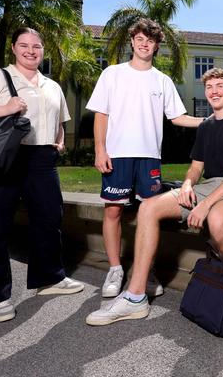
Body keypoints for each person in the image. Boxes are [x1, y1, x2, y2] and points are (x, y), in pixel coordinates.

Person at [86, 67, 223, 326]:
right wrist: (189, 183)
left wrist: (206, 204)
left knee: (217, 220)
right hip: (209, 185)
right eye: (209, 87)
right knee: (149, 207)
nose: (214, 91)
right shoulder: (206, 126)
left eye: (220, 86)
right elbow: (196, 167)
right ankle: (135, 297)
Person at [0, 27, 84, 323]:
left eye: (37, 46)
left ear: (43, 50)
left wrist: (59, 142)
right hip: (4, 157)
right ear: (13, 48)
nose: (31, 50)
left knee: (49, 219)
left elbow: (60, 120)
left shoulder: (52, 85)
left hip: (42, 158)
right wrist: (6, 109)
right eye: (24, 45)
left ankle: (49, 279)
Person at [85, 18, 203, 300]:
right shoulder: (112, 74)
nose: (144, 43)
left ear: (156, 46)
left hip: (149, 158)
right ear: (132, 41)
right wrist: (100, 150)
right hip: (118, 155)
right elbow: (102, 114)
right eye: (140, 38)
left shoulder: (162, 81)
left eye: (150, 40)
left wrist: (210, 121)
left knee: (147, 214)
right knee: (113, 211)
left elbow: (177, 117)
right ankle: (115, 269)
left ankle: (143, 271)